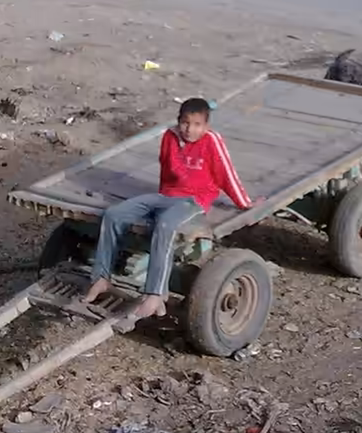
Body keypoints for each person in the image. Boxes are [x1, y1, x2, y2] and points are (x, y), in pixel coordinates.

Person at [82, 97, 252, 319]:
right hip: (165, 195)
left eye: (197, 124)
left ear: (206, 126)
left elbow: (226, 175)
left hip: (194, 199)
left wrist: (245, 203)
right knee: (114, 214)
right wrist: (178, 148)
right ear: (178, 121)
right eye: (185, 123)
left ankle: (155, 293)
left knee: (165, 224)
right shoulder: (170, 137)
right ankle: (101, 279)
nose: (190, 129)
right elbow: (170, 171)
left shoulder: (212, 141)